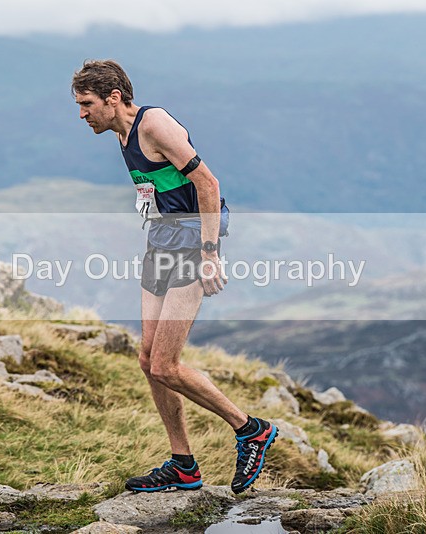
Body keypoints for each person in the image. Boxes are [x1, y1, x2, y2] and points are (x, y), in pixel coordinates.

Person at [71, 60, 277, 494]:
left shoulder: (155, 124)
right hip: (162, 239)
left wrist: (209, 254)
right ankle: (183, 464)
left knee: (166, 363)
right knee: (148, 361)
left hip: (191, 242)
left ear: (113, 98)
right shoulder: (120, 132)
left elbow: (207, 183)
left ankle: (250, 429)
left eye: (87, 104)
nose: (82, 114)